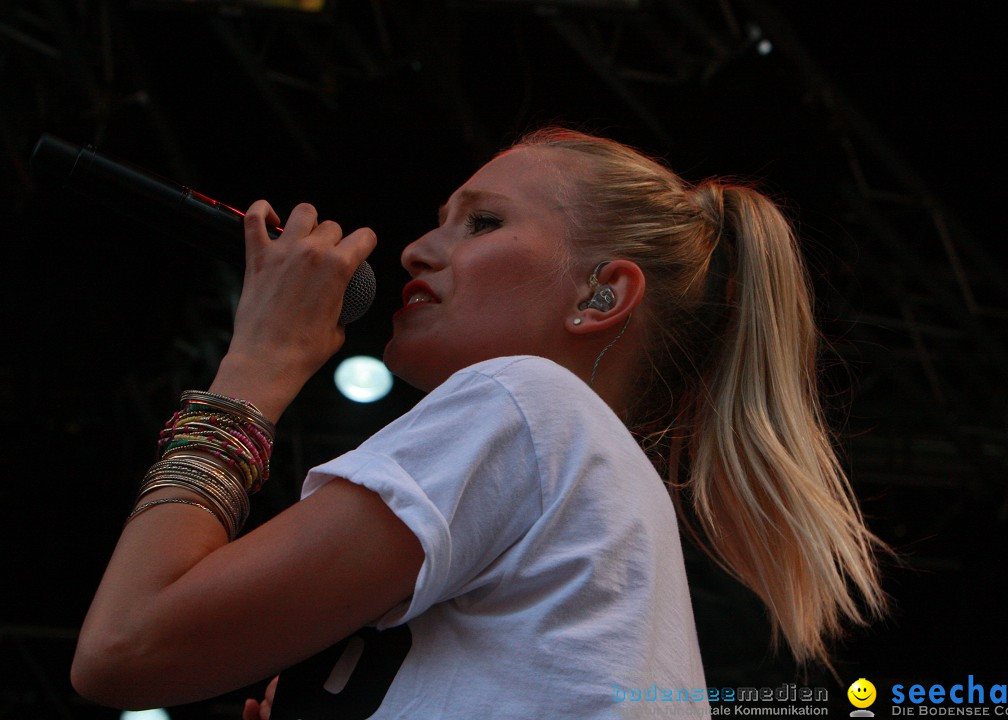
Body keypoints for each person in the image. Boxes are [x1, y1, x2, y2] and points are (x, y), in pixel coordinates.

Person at [70, 127, 886, 718]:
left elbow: (124, 649)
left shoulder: (528, 403)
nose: (419, 250)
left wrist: (256, 365)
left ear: (601, 294)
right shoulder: (586, 492)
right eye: (441, 219)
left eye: (482, 223)